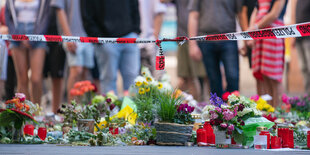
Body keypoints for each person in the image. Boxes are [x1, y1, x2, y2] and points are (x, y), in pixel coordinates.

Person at [188, 0, 247, 97]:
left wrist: (245, 39)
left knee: (233, 77)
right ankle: (217, 110)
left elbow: (240, 14)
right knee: (213, 80)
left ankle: (234, 109)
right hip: (206, 39)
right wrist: (192, 45)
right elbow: (193, 15)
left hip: (229, 38)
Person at [81, 0, 141, 95]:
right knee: (109, 81)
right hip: (106, 40)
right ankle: (110, 110)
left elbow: (134, 5)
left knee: (133, 80)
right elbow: (86, 15)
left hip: (129, 36)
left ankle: (133, 109)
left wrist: (135, 31)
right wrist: (99, 39)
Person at [161, 0, 207, 101]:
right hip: (182, 37)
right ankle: (194, 109)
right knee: (185, 78)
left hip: (200, 37)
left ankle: (208, 108)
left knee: (206, 76)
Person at [5, 0, 50, 104]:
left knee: (36, 79)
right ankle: (24, 113)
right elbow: (8, 16)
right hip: (17, 33)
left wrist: (33, 38)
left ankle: (37, 111)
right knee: (22, 79)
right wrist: (18, 37)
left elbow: (46, 16)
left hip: (37, 33)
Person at [51, 0, 94, 102]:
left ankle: (83, 110)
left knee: (86, 73)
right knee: (76, 71)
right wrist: (68, 36)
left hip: (88, 35)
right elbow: (59, 9)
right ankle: (72, 109)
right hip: (72, 35)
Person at [248, 0, 287, 107]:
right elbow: (256, 10)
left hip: (273, 33)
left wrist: (255, 27)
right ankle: (267, 112)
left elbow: (274, 14)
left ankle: (278, 113)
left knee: (274, 76)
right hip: (259, 34)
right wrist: (251, 32)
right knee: (262, 75)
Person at [43, 6, 66, 114]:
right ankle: (32, 114)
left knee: (57, 75)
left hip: (58, 37)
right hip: (39, 37)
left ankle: (56, 112)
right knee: (36, 77)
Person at [139, 0, 166, 79]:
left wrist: (154, 39)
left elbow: (159, 13)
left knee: (158, 78)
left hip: (150, 44)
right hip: (136, 43)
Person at [291, 0, 310, 94]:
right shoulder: (298, 1)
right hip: (299, 38)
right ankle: (307, 94)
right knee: (303, 67)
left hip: (308, 38)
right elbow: (297, 18)